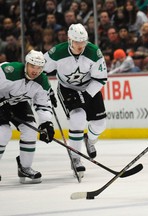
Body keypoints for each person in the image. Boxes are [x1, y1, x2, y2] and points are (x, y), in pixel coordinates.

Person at [43, 23, 108, 178]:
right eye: (77, 42)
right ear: (69, 40)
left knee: (100, 124)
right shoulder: (57, 52)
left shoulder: (94, 52)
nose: (80, 46)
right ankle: (75, 158)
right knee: (78, 117)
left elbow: (100, 79)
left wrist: (86, 95)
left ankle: (89, 141)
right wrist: (45, 89)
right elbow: (40, 71)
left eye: (83, 42)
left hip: (89, 87)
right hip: (67, 88)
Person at [0, 50, 55, 183]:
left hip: (19, 103)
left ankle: (25, 167)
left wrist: (47, 123)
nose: (35, 71)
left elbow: (43, 104)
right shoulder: (9, 71)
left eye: (39, 68)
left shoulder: (42, 81)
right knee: (3, 132)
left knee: (30, 129)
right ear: (26, 64)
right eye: (32, 66)